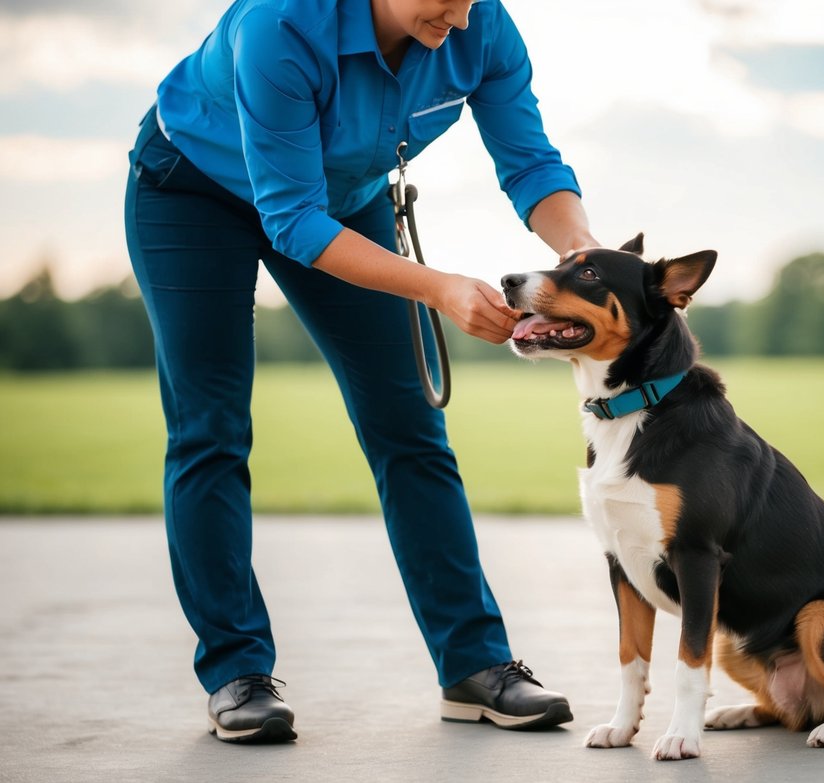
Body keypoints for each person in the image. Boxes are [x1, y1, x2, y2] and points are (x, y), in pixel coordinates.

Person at [124, 0, 598, 743]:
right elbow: (290, 219)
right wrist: (437, 286)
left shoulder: (478, 26)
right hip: (193, 193)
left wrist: (583, 254)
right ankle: (235, 673)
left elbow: (530, 161)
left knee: (409, 425)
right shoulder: (281, 25)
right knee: (210, 427)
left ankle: (475, 666)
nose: (463, 14)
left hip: (341, 203)